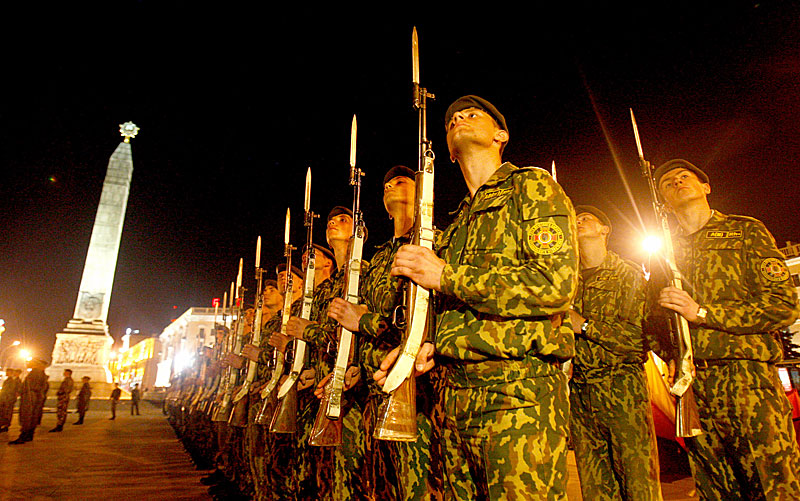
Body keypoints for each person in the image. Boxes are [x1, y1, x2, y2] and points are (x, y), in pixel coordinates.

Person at [378, 95, 578, 498]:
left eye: (474, 115)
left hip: (518, 395)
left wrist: (446, 275)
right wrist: (420, 345)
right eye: (452, 119)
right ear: (449, 153)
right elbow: (455, 311)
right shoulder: (455, 227)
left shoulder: (531, 186)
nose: (460, 118)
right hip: (455, 402)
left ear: (500, 135)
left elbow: (555, 285)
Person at [652, 159, 800, 500]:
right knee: (715, 487)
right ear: (662, 201)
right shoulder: (663, 253)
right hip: (694, 385)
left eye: (684, 176)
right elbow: (656, 322)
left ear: (706, 187)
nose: (676, 182)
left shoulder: (745, 230)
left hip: (747, 378)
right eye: (667, 182)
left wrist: (702, 312)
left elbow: (781, 305)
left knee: (772, 481)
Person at [328, 165, 443, 499]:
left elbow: (426, 322)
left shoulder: (434, 244)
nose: (391, 186)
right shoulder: (378, 259)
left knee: (415, 488)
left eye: (402, 181)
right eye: (386, 184)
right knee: (379, 487)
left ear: (423, 191)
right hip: (373, 392)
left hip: (417, 393)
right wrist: (352, 367)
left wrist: (364, 321)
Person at [568, 205, 662, 500]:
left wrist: (583, 325)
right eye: (575, 219)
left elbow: (636, 339)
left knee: (638, 484)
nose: (579, 221)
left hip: (622, 390)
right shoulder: (567, 282)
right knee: (594, 487)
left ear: (604, 230)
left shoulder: (628, 275)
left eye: (587, 218)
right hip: (581, 395)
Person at [9, 357, 49, 444]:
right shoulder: (42, 374)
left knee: (27, 415)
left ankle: (23, 436)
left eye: (31, 362)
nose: (28, 363)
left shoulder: (35, 372)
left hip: (30, 397)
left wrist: (21, 392)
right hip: (36, 397)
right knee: (33, 416)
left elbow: (29, 386)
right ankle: (30, 435)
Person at [0, 368, 22, 433]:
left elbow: (11, 391)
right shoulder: (9, 380)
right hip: (6, 399)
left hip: (8, 399)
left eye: (8, 372)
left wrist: (9, 398)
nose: (6, 373)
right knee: (4, 412)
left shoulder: (12, 381)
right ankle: (3, 425)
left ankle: (5, 425)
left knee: (7, 413)